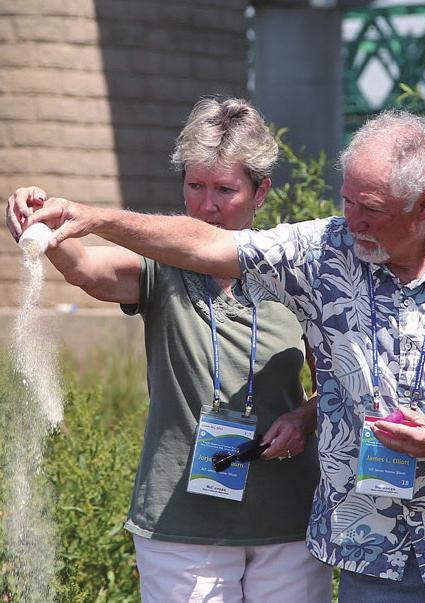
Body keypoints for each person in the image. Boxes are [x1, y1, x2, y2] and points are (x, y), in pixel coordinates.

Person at [7, 98, 332, 603]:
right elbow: (88, 270)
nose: (206, 205)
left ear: (261, 191)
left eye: (225, 190)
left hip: (288, 523)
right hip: (181, 527)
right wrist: (42, 225)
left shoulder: (297, 275)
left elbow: (337, 387)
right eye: (195, 186)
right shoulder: (159, 268)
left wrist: (303, 418)